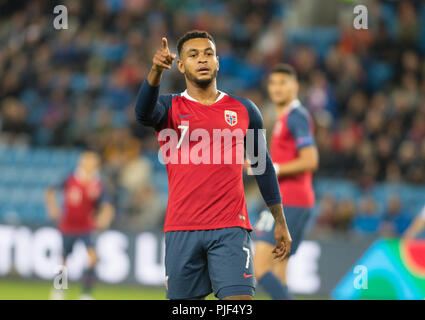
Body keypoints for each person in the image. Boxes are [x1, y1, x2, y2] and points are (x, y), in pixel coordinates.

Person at [134, 30, 292, 300]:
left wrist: (280, 221)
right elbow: (142, 113)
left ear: (217, 61)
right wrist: (155, 72)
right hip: (182, 229)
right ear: (181, 65)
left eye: (208, 53)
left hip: (230, 228)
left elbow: (262, 166)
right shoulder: (169, 107)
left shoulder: (245, 110)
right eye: (193, 55)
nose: (202, 59)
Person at [253, 64, 318, 300]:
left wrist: (274, 168)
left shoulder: (296, 116)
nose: (277, 88)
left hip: (288, 201)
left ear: (295, 87)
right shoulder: (284, 117)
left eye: (283, 83)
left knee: (260, 268)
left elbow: (310, 159)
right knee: (279, 270)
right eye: (273, 83)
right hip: (298, 202)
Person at [45, 151, 115, 300]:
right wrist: (53, 208)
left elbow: (107, 205)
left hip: (86, 226)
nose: (90, 164)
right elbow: (50, 191)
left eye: (93, 162)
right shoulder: (70, 177)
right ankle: (59, 289)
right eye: (87, 161)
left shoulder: (98, 183)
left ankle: (86, 293)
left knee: (92, 258)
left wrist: (104, 217)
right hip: (68, 225)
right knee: (63, 259)